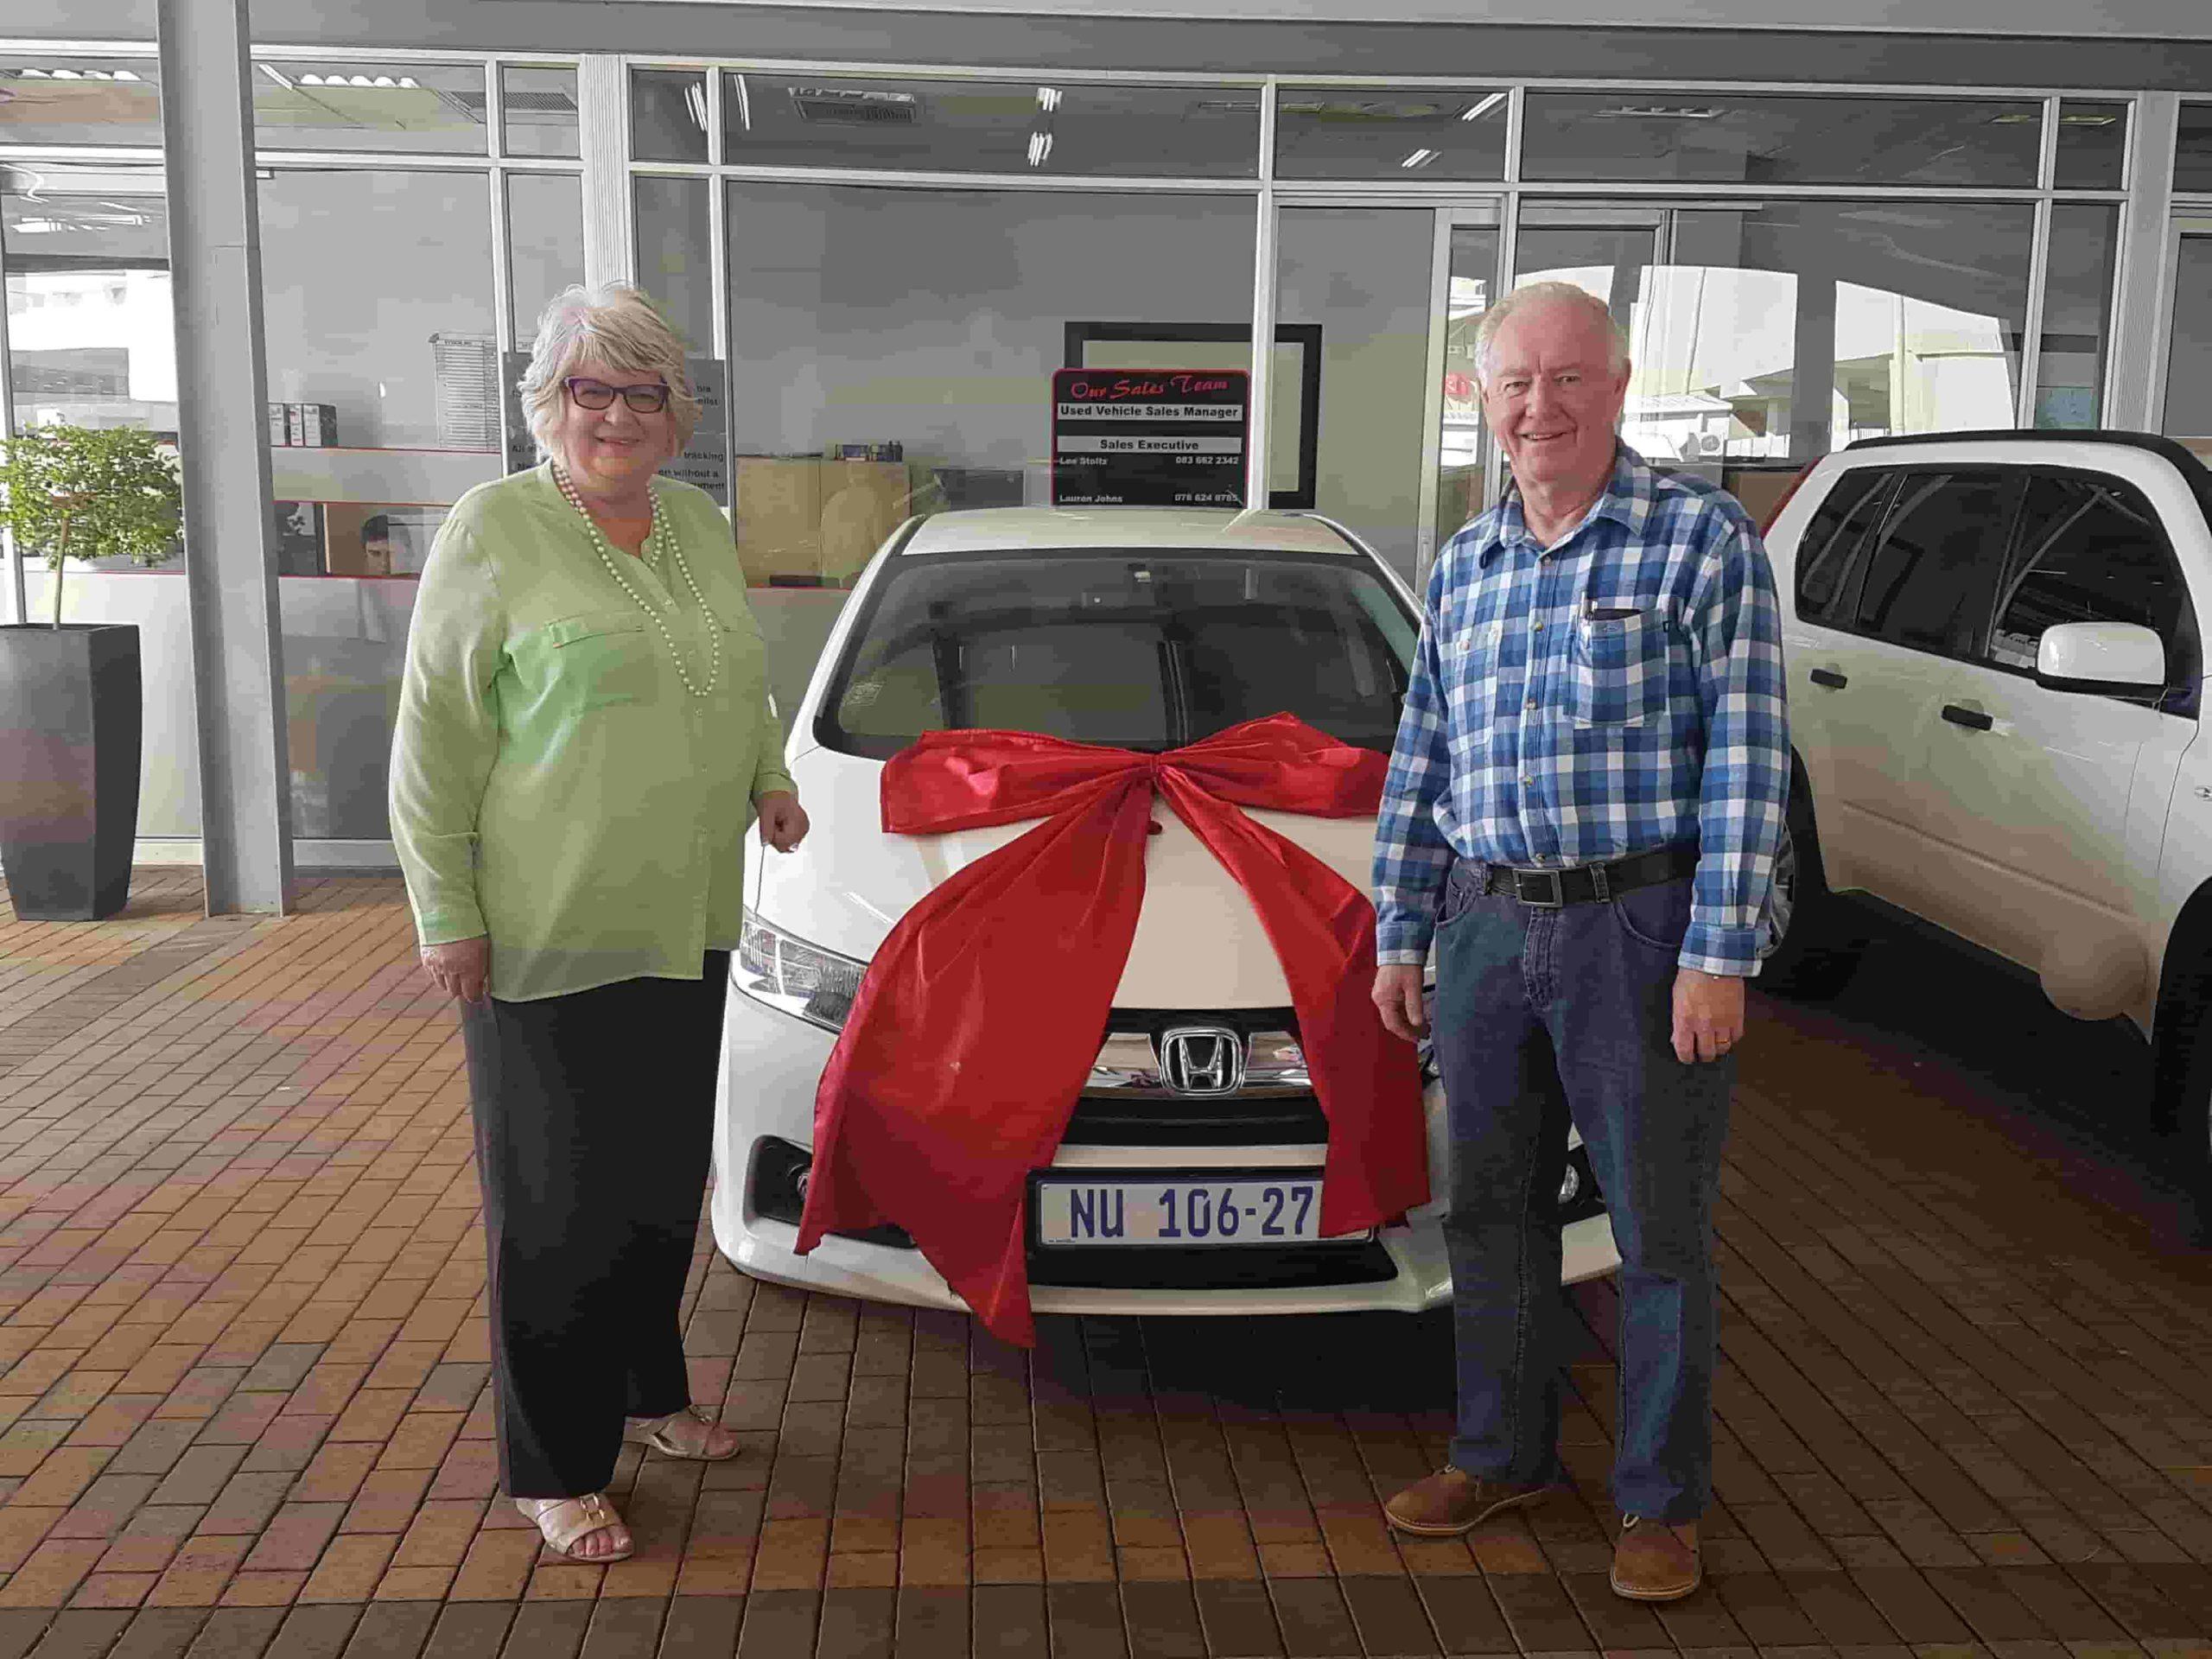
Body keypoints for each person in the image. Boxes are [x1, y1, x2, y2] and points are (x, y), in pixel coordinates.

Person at [1369, 281, 1787, 1603]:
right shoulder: (1465, 564)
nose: (1539, 407)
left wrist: (1718, 952)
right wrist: (1402, 932)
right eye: (1515, 383)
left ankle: (1659, 1502)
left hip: (1639, 931)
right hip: (1486, 924)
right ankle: (1501, 1456)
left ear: (1615, 388)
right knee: (1489, 1214)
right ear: (1482, 402)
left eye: (1566, 379)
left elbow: (1749, 760)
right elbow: (1422, 759)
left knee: (1657, 1229)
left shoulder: (1701, 540)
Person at [390, 282, 810, 1564]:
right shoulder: (495, 528)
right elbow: (435, 737)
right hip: (545, 930)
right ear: (547, 403)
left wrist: (771, 778)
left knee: (653, 1188)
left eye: (643, 393)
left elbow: (737, 677)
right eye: (591, 390)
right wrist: (446, 911)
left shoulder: (696, 521)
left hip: (685, 917)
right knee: (556, 1209)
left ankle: (648, 1395)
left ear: (676, 414)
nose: (616, 416)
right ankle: (556, 1463)